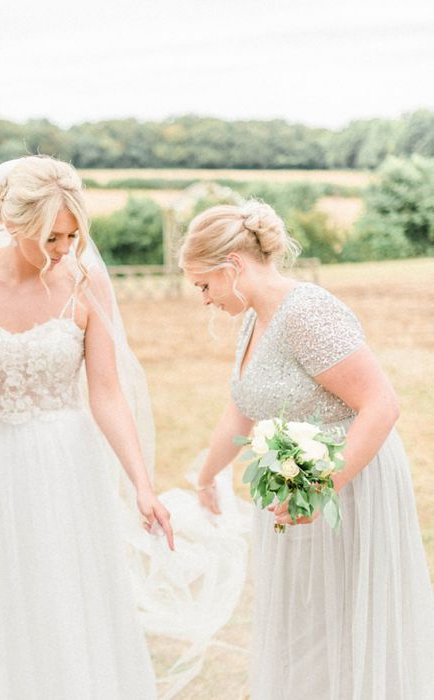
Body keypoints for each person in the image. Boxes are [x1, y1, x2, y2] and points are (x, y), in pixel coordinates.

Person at [0, 156, 173, 699]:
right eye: (52, 237)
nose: (64, 249)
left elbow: (106, 393)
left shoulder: (86, 286)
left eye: (72, 235)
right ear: (13, 224)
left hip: (62, 457)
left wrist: (142, 484)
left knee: (63, 588)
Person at [179, 200, 434, 699]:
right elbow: (242, 405)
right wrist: (207, 475)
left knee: (341, 617)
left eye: (204, 285)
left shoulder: (308, 311)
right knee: (303, 620)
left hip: (347, 485)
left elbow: (381, 404)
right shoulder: (255, 319)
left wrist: (320, 488)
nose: (204, 299)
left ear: (233, 266)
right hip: (295, 488)